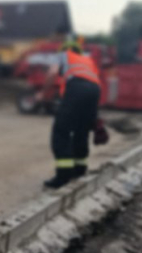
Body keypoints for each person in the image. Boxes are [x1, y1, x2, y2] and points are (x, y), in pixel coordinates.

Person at [43, 38, 102, 189]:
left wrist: (44, 93)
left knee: (61, 131)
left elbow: (52, 72)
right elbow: (93, 81)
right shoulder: (87, 60)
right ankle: (79, 169)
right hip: (95, 91)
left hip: (77, 88)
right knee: (81, 131)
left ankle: (63, 176)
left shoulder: (64, 55)